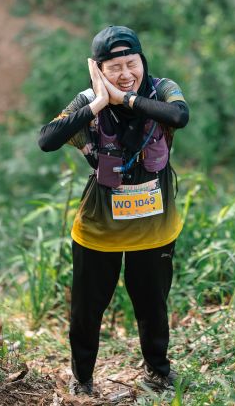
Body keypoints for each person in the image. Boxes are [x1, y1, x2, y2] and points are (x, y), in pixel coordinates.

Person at [38, 25, 189, 396]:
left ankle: (158, 374)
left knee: (153, 306)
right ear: (98, 70)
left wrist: (126, 99)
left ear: (142, 61)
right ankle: (82, 381)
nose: (125, 73)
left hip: (154, 228)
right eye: (114, 67)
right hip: (99, 230)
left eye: (131, 63)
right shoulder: (88, 100)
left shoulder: (161, 90)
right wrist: (98, 103)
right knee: (87, 310)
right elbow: (47, 139)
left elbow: (179, 116)